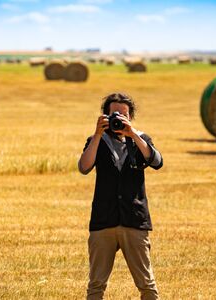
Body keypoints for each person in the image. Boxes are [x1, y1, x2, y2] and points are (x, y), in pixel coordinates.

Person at [78, 92, 163, 300]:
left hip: (134, 219)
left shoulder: (141, 138)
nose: (119, 118)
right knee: (96, 285)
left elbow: (157, 161)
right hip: (103, 220)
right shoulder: (96, 140)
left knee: (147, 285)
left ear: (130, 116)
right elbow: (84, 167)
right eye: (115, 114)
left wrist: (132, 134)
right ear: (105, 116)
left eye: (124, 114)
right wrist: (97, 135)